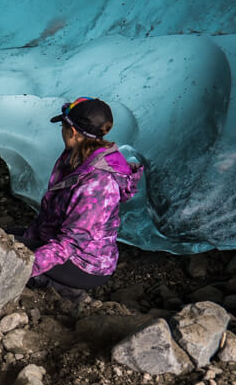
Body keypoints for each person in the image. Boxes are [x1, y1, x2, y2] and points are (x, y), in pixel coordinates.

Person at [13, 97, 143, 299]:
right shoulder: (78, 156)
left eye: (63, 127)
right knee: (3, 238)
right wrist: (29, 239)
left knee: (5, 254)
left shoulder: (98, 184)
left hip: (85, 265)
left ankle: (60, 289)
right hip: (60, 241)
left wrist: (22, 268)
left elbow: (71, 243)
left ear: (72, 132)